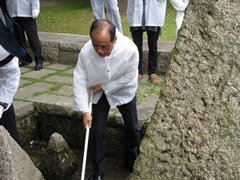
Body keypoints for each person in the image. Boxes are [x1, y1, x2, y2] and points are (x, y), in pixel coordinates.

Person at [73, 20, 140, 179]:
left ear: (114, 39)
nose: (99, 50)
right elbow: (79, 80)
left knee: (133, 128)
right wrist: (85, 111)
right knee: (97, 132)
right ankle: (98, 174)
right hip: (97, 93)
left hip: (123, 89)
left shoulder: (129, 49)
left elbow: (129, 77)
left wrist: (104, 85)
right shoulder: (86, 52)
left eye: (104, 46)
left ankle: (131, 163)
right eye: (95, 45)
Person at [0, 1, 24, 147]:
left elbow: (11, 75)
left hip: (1, 94)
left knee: (13, 139)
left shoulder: (4, 46)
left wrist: (1, 103)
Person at [127, 0, 167, 85]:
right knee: (136, 47)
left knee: (153, 46)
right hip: (136, 13)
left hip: (154, 13)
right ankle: (137, 72)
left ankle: (152, 73)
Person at [6, 0, 44, 70]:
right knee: (19, 38)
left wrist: (35, 8)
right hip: (13, 13)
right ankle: (23, 59)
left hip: (27, 13)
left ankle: (39, 60)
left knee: (32, 37)